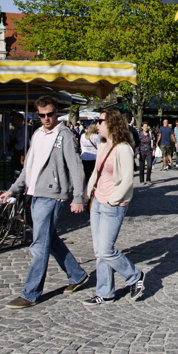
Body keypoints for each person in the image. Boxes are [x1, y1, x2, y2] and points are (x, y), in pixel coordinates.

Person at [0, 96, 88, 309]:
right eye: (42, 115)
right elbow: (30, 166)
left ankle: (31, 293)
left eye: (50, 114)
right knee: (50, 239)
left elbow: (76, 167)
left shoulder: (64, 135)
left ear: (56, 112)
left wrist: (78, 197)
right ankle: (77, 275)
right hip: (35, 193)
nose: (46, 118)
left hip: (53, 194)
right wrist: (13, 189)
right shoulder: (37, 134)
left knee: (39, 244)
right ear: (37, 115)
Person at [84, 109, 145, 305]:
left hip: (114, 204)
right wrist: (89, 191)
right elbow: (97, 170)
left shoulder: (123, 148)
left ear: (111, 124)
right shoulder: (102, 145)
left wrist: (113, 199)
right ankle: (105, 292)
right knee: (99, 251)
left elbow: (127, 179)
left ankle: (135, 276)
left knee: (106, 250)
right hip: (97, 202)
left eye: (100, 121)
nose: (97, 124)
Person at [8, 111, 28, 179]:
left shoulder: (21, 130)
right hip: (16, 158)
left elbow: (20, 146)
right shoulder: (17, 130)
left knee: (16, 177)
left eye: (13, 119)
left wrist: (13, 145)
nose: (11, 121)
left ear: (19, 120)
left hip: (19, 159)